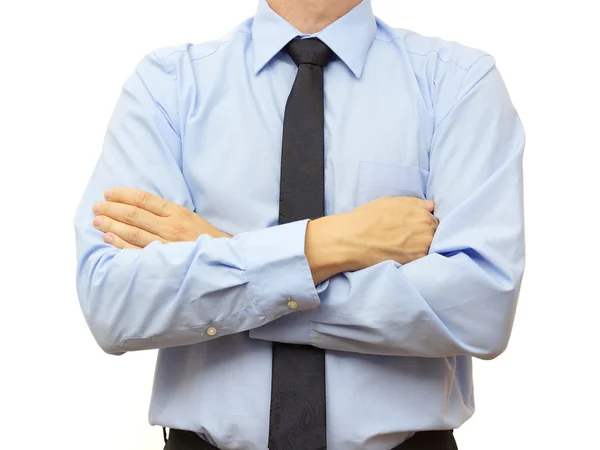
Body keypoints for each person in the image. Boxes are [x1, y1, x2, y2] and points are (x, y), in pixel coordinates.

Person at [73, 0, 525, 448]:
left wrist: (225, 259)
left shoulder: (458, 82)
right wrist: (334, 242)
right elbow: (115, 304)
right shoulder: (167, 86)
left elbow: (478, 309)